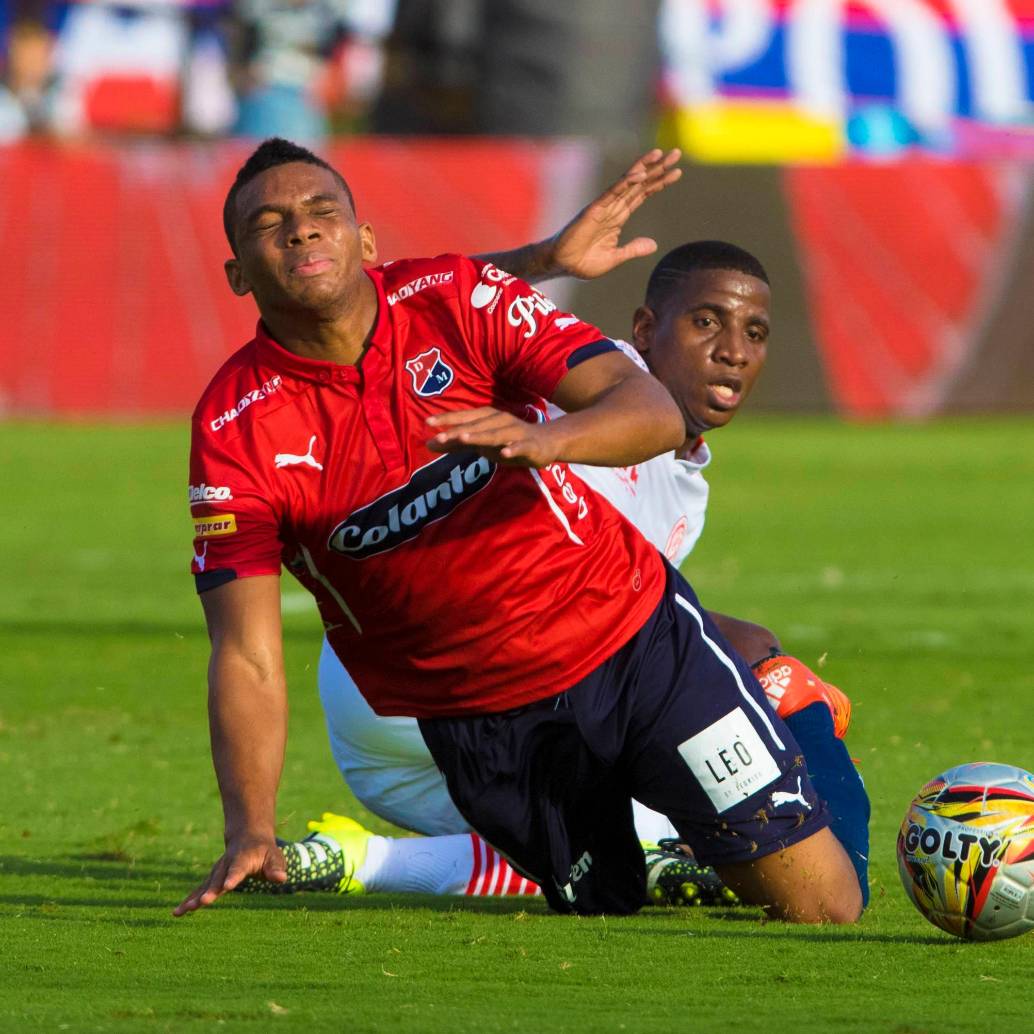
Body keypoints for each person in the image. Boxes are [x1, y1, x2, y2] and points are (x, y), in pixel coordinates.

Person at [175, 136, 862, 923]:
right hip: (481, 719)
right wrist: (250, 825)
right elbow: (248, 654)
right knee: (608, 906)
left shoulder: (455, 298)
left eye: (322, 212)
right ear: (236, 273)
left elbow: (648, 409)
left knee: (825, 906)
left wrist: (546, 440)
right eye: (271, 224)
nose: (300, 231)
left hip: (637, 646)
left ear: (365, 241)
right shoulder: (232, 429)